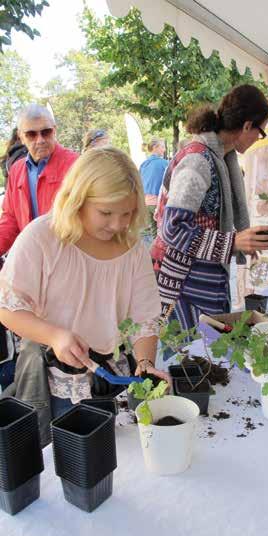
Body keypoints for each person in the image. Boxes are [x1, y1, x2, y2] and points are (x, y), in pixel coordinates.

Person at [0, 147, 169, 443]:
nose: (118, 224)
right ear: (78, 198)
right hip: (55, 382)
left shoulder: (132, 249)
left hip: (110, 381)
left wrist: (145, 364)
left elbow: (145, 319)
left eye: (127, 214)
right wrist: (54, 335)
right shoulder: (42, 238)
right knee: (62, 465)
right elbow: (7, 307)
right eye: (106, 212)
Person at [151, 84, 268, 331]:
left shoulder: (220, 158)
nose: (257, 140)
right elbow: (172, 229)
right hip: (182, 283)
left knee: (207, 354)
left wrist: (240, 241)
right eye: (260, 133)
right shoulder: (199, 160)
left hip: (200, 279)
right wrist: (233, 242)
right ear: (248, 125)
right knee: (190, 358)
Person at [0, 103, 79, 257]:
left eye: (46, 132)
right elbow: (10, 218)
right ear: (21, 137)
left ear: (54, 131)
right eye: (31, 134)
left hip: (69, 256)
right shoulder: (16, 170)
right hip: (34, 257)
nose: (40, 139)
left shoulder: (76, 164)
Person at [139, 138, 168, 240]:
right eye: (163, 147)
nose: (164, 150)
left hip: (146, 203)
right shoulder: (165, 163)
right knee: (164, 233)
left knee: (154, 233)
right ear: (155, 147)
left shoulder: (143, 164)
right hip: (159, 203)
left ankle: (153, 254)